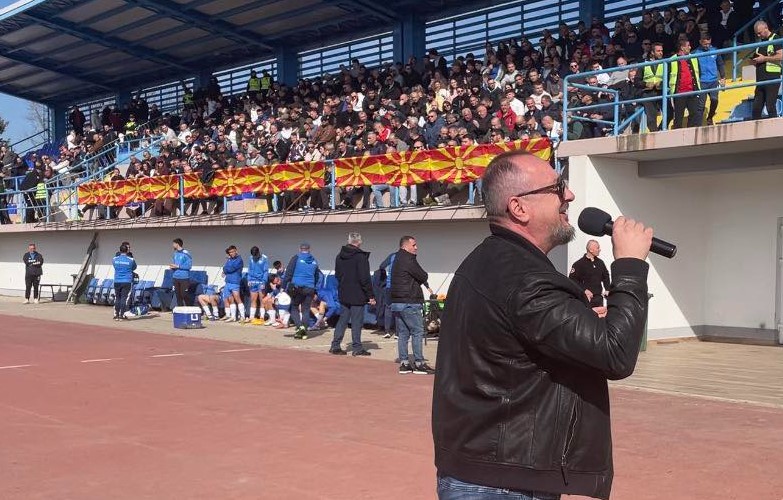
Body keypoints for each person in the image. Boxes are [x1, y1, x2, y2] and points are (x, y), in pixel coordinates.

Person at [432, 150, 652, 500]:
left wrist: (578, 320)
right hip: (505, 484)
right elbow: (615, 353)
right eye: (557, 187)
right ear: (519, 208)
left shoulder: (491, 262)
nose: (569, 195)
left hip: (488, 469)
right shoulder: (525, 278)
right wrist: (629, 266)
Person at [390, 235, 434, 375]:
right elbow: (423, 275)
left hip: (397, 301)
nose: (416, 247)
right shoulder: (408, 259)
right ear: (405, 246)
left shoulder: (396, 258)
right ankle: (419, 363)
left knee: (403, 333)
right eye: (413, 245)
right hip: (409, 301)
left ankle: (404, 363)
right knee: (417, 331)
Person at [329, 232, 376, 356]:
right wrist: (370, 295)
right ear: (359, 242)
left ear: (349, 241)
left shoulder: (339, 256)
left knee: (342, 320)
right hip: (358, 294)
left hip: (344, 292)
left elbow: (338, 275)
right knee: (356, 322)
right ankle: (357, 347)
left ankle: (335, 345)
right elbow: (365, 278)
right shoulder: (361, 257)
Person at [282, 242, 321, 339]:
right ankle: (304, 331)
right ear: (309, 250)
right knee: (306, 309)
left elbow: (288, 273)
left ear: (300, 249)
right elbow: (317, 276)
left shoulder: (296, 258)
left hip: (297, 287)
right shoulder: (314, 260)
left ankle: (300, 327)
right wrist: (315, 289)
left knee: (293, 307)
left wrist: (283, 287)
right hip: (310, 288)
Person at [751, 20, 782, 120]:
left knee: (770, 106)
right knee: (756, 109)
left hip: (772, 77)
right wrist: (754, 61)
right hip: (760, 80)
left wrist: (764, 58)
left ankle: (776, 128)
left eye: (760, 33)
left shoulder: (775, 38)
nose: (758, 35)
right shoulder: (760, 43)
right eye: (757, 34)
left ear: (766, 28)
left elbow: (781, 56)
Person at [694, 33, 726, 125]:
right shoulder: (695, 53)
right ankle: (698, 125)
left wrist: (723, 77)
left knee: (714, 100)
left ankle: (710, 117)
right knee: (701, 105)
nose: (707, 46)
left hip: (713, 81)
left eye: (709, 43)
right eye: (705, 44)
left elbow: (720, 64)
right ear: (700, 42)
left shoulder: (715, 50)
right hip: (702, 82)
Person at [669, 39, 702, 129]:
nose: (690, 47)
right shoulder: (672, 60)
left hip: (693, 91)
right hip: (679, 93)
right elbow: (668, 75)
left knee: (694, 114)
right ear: (682, 48)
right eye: (688, 45)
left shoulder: (694, 58)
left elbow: (699, 72)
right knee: (678, 116)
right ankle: (677, 133)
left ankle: (691, 132)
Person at [569, 239, 611, 308]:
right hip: (585, 298)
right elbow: (572, 279)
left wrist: (607, 289)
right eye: (597, 248)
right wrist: (584, 290)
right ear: (591, 250)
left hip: (598, 299)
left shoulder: (600, 263)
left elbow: (606, 276)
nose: (599, 250)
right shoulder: (579, 264)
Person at [112, 243, 137, 321]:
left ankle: (116, 315)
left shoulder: (114, 259)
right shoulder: (131, 260)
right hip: (127, 281)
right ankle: (121, 315)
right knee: (123, 298)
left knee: (117, 298)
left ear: (120, 250)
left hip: (117, 280)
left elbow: (115, 266)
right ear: (127, 251)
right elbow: (134, 267)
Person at [221, 245, 245, 322]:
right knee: (229, 299)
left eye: (232, 252)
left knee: (237, 298)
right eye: (230, 252)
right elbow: (225, 267)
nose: (231, 253)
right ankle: (233, 316)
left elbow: (231, 269)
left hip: (235, 281)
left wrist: (226, 270)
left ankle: (243, 316)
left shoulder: (239, 260)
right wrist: (225, 269)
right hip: (228, 281)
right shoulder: (229, 260)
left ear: (236, 251)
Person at [247, 246, 269, 324]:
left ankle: (262, 317)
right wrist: (249, 280)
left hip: (261, 281)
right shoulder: (250, 258)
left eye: (256, 255)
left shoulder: (264, 258)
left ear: (258, 252)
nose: (255, 257)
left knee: (261, 299)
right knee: (253, 299)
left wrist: (264, 282)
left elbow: (266, 271)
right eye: (253, 256)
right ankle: (251, 317)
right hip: (253, 281)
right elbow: (249, 269)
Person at [170, 238, 192, 307]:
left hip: (184, 277)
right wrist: (172, 267)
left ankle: (189, 308)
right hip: (175, 277)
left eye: (174, 244)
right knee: (178, 296)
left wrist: (178, 266)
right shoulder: (175, 254)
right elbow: (174, 264)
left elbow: (189, 266)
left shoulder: (186, 253)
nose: (173, 245)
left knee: (184, 294)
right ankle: (180, 309)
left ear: (177, 244)